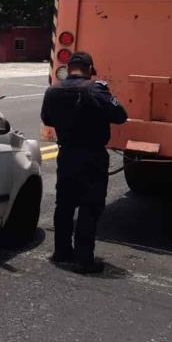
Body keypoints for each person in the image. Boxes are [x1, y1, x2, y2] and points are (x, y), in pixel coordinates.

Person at [40, 51, 127, 273]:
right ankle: (84, 258)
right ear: (89, 69)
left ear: (69, 68)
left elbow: (47, 119)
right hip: (92, 157)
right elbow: (120, 115)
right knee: (90, 206)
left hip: (67, 155)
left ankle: (61, 252)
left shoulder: (52, 90)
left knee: (65, 205)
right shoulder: (96, 89)